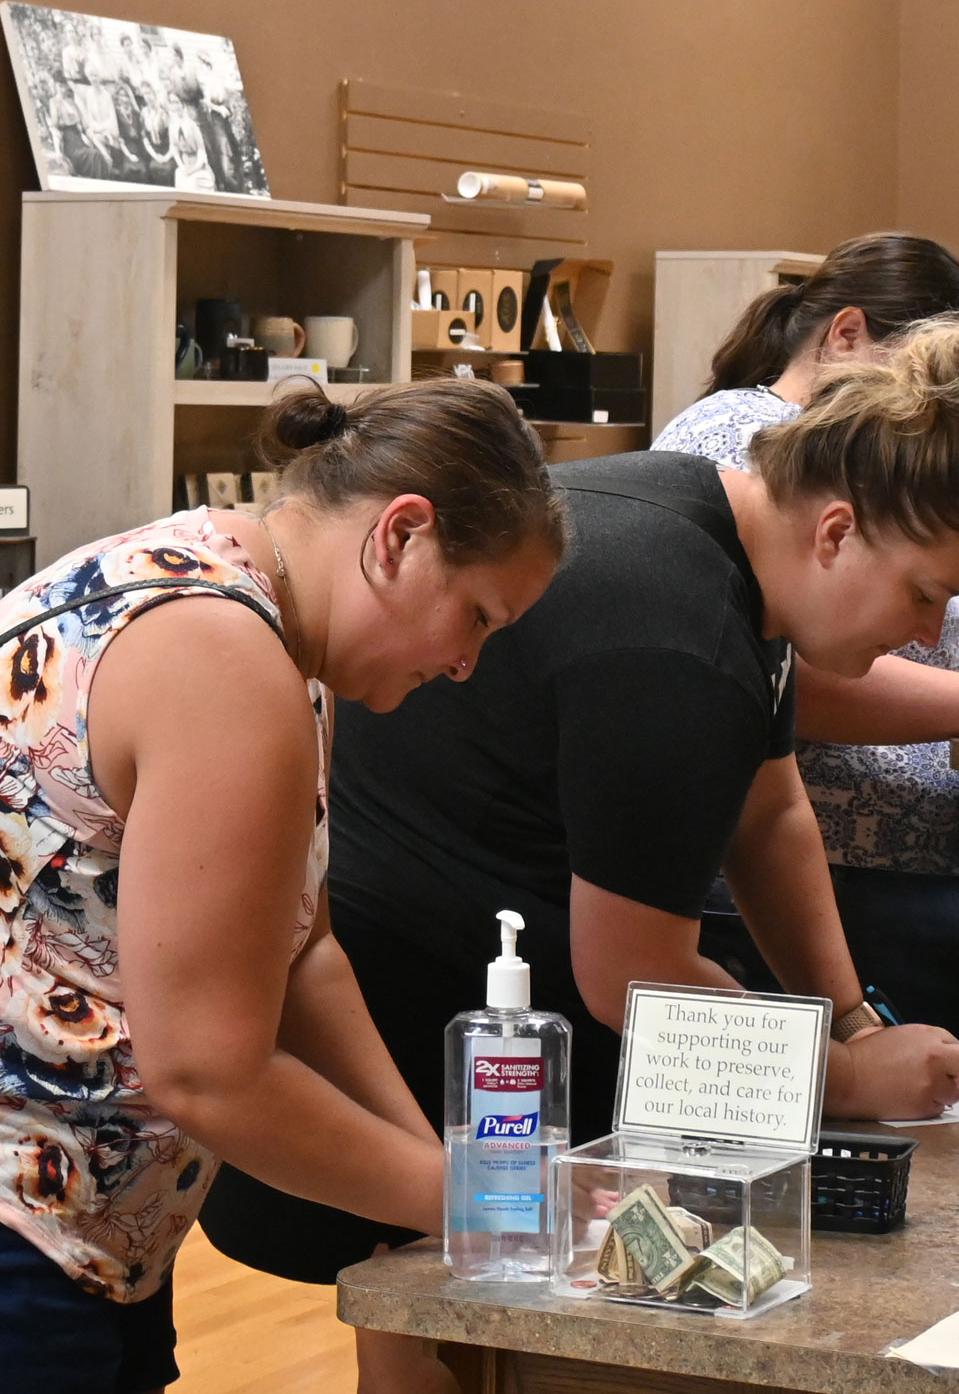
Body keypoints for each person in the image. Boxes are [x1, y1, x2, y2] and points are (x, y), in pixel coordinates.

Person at [204, 318, 959, 1393]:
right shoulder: (672, 630)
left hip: (467, 966)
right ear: (834, 531)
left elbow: (769, 808)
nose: (928, 633)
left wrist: (849, 1016)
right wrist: (832, 1077)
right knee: (451, 1338)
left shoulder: (725, 538)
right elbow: (628, 974)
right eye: (923, 591)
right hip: (454, 1018)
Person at [0, 380, 564, 1394]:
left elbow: (304, 952)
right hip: (26, 1213)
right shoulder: (224, 656)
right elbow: (209, 1071)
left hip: (89, 1218)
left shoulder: (257, 606)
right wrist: (471, 1201)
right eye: (475, 614)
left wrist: (430, 1177)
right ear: (400, 535)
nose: (468, 663)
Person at [656, 234, 959, 1035]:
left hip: (922, 868)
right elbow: (791, 677)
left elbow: (952, 641)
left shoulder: (885, 473)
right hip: (843, 879)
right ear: (845, 335)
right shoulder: (744, 439)